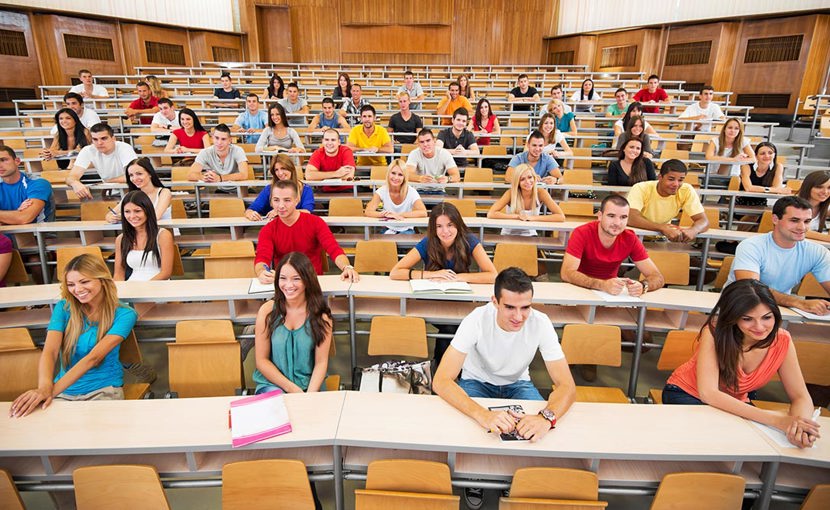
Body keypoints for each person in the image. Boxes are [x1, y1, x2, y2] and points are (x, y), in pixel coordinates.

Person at [432, 267, 576, 508]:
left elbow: (567, 386)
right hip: (476, 382)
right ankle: (475, 475)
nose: (518, 316)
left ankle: (516, 475)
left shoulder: (541, 322)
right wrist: (483, 414)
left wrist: (546, 418)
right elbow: (442, 380)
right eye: (510, 307)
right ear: (495, 302)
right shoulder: (476, 320)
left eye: (525, 307)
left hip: (518, 384)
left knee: (539, 435)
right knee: (476, 431)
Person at [663, 279, 820, 448]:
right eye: (747, 319)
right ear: (733, 318)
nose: (759, 327)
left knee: (752, 444)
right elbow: (708, 393)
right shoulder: (715, 332)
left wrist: (800, 426)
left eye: (767, 317)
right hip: (687, 394)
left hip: (735, 402)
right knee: (720, 442)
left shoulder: (783, 341)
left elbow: (800, 396)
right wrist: (778, 420)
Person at [10, 254, 137, 417]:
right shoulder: (63, 307)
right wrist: (44, 388)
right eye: (71, 284)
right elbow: (50, 351)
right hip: (64, 390)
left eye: (84, 282)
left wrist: (49, 393)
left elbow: (94, 358)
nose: (77, 289)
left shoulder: (125, 314)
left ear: (102, 279)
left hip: (103, 390)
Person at [390, 202, 498, 365]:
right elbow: (395, 272)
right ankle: (450, 369)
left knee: (451, 327)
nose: (445, 231)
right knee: (450, 327)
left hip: (459, 300)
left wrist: (460, 277)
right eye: (439, 226)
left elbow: (493, 275)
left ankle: (440, 368)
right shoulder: (428, 242)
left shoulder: (469, 240)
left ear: (458, 224)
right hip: (431, 300)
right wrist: (431, 274)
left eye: (450, 225)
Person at [726, 196, 830, 316]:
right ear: (775, 219)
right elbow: (751, 289)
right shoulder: (751, 246)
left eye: (807, 221)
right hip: (739, 307)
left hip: (780, 308)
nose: (802, 227)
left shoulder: (817, 252)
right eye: (794, 220)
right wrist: (800, 302)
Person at [253, 251, 333, 395]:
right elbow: (261, 361)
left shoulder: (321, 316)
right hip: (273, 384)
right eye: (283, 278)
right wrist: (291, 389)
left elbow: (321, 363)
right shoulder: (267, 312)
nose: (288, 285)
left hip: (310, 387)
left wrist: (309, 395)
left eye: (296, 279)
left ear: (307, 281)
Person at [254, 180, 359, 282]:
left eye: (287, 200)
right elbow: (262, 258)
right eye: (276, 200)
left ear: (297, 200)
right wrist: (261, 271)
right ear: (271, 201)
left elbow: (333, 249)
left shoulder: (315, 222)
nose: (281, 206)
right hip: (285, 285)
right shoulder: (267, 230)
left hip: (312, 282)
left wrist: (347, 267)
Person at [561, 194, 665, 295]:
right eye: (611, 216)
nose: (617, 223)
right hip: (578, 289)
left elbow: (657, 277)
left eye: (623, 217)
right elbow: (567, 273)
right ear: (600, 216)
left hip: (610, 294)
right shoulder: (582, 233)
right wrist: (602, 285)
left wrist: (643, 286)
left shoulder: (630, 238)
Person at [626, 159, 709, 242]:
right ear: (660, 177)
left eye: (680, 180)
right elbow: (631, 218)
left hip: (661, 237)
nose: (676, 184)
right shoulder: (641, 188)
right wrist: (661, 227)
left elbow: (703, 221)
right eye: (671, 179)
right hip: (635, 235)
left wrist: (694, 230)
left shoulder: (686, 190)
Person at [487, 163, 565, 236]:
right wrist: (517, 216)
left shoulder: (541, 193)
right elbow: (491, 213)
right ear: (517, 182)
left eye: (530, 177)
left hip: (530, 234)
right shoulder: (511, 193)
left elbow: (560, 216)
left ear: (534, 178)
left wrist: (531, 218)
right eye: (522, 179)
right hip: (508, 234)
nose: (527, 182)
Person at [113, 190, 174, 282]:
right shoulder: (121, 239)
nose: (132, 216)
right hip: (132, 285)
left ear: (147, 211)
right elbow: (118, 274)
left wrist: (143, 289)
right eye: (127, 212)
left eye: (137, 211)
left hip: (159, 285)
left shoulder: (163, 235)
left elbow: (165, 273)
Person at [67, 123, 137, 199]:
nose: (99, 143)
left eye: (104, 138)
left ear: (113, 138)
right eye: (95, 139)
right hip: (109, 193)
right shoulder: (88, 150)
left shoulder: (124, 148)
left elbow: (133, 175)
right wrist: (75, 183)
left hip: (132, 191)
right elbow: (71, 177)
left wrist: (107, 182)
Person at [734, 142, 789, 230]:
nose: (767, 156)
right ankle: (734, 240)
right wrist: (770, 189)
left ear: (774, 155)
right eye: (762, 153)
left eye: (770, 153)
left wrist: (770, 189)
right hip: (742, 202)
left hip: (761, 203)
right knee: (754, 215)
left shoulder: (778, 166)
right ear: (756, 156)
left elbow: (777, 188)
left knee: (772, 217)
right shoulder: (746, 166)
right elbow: (749, 188)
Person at [364, 159, 427, 234]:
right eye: (393, 173)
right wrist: (386, 215)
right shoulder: (382, 191)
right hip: (388, 228)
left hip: (406, 229)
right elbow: (368, 211)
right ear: (388, 174)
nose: (396, 178)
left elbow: (423, 212)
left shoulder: (411, 191)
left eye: (400, 175)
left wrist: (399, 215)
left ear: (404, 177)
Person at [246, 154, 314, 221]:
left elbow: (307, 212)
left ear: (291, 168)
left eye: (283, 168)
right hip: (274, 228)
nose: (280, 173)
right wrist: (250, 214)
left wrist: (280, 211)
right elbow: (251, 209)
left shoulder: (305, 189)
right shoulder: (269, 189)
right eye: (276, 170)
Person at [106, 158, 172, 222]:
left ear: (150, 174)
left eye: (139, 174)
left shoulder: (164, 192)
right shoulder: (129, 196)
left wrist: (125, 217)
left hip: (163, 231)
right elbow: (109, 215)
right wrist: (111, 217)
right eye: (131, 175)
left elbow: (155, 216)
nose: (135, 178)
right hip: (140, 232)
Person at [0, 146, 54, 225]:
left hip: (38, 235)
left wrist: (19, 216)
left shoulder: (38, 183)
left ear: (17, 161)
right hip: (4, 235)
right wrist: (17, 213)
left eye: (3, 160)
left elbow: (25, 218)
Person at [305, 128, 356, 192]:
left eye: (333, 140)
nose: (329, 143)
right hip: (324, 191)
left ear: (339, 142)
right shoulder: (318, 153)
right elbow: (309, 175)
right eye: (326, 140)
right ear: (322, 141)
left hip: (346, 189)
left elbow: (349, 176)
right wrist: (336, 173)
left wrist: (320, 176)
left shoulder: (346, 151)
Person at [798, 170, 830, 238]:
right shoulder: (792, 206)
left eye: (829, 188)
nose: (825, 192)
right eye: (819, 187)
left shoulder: (826, 209)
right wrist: (827, 238)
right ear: (808, 187)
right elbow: (800, 231)